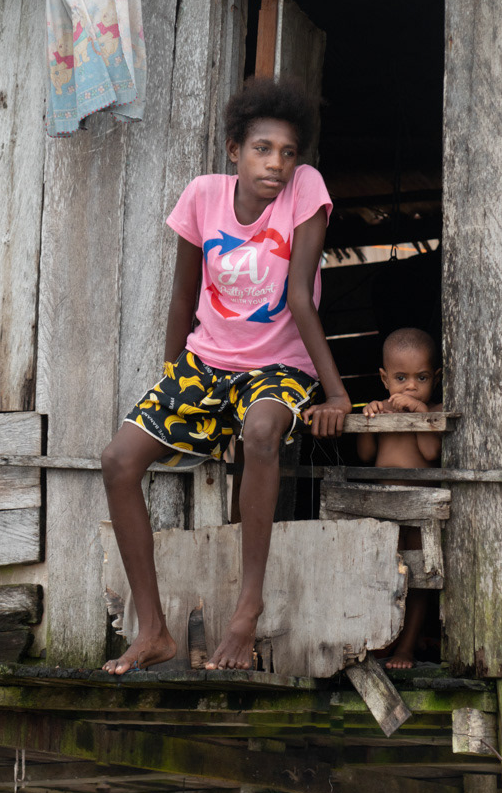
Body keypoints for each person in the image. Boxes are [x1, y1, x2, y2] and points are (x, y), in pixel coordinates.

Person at [101, 77, 352, 675]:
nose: (277, 164)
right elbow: (183, 293)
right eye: (263, 149)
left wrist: (336, 390)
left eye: (288, 153)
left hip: (278, 366)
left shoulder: (306, 192)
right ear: (234, 148)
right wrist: (171, 381)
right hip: (205, 362)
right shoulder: (203, 196)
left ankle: (246, 610)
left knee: (262, 433)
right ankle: (155, 629)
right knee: (117, 461)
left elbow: (298, 296)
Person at [357, 327, 442, 669]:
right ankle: (380, 644)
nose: (410, 386)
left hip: (420, 509)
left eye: (421, 377)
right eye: (401, 377)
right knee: (384, 575)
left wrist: (419, 414)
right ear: (384, 378)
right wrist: (370, 417)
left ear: (436, 377)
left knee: (419, 578)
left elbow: (430, 450)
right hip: (383, 509)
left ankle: (406, 648)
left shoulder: (433, 409)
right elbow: (365, 455)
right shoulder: (384, 409)